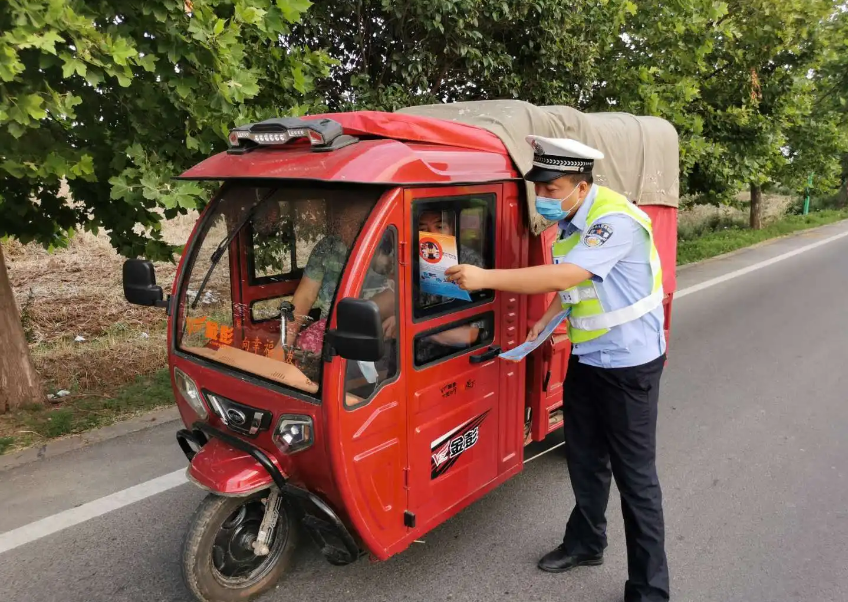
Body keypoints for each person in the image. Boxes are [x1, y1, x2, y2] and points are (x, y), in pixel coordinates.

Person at [445, 136, 669, 602]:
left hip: (631, 367)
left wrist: (485, 278)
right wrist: (544, 325)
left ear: (582, 186)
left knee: (636, 479)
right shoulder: (571, 223)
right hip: (590, 361)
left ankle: (650, 589)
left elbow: (567, 275)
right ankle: (587, 543)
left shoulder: (612, 221)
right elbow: (572, 292)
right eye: (539, 190)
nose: (544, 198)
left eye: (553, 189)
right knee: (586, 459)